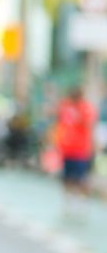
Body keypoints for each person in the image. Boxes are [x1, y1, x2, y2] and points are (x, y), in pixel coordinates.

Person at [55, 86, 97, 217]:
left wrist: (77, 113)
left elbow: (88, 124)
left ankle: (82, 203)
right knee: (66, 178)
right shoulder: (65, 105)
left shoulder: (86, 107)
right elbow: (60, 123)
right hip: (67, 149)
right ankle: (67, 202)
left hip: (81, 150)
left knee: (81, 179)